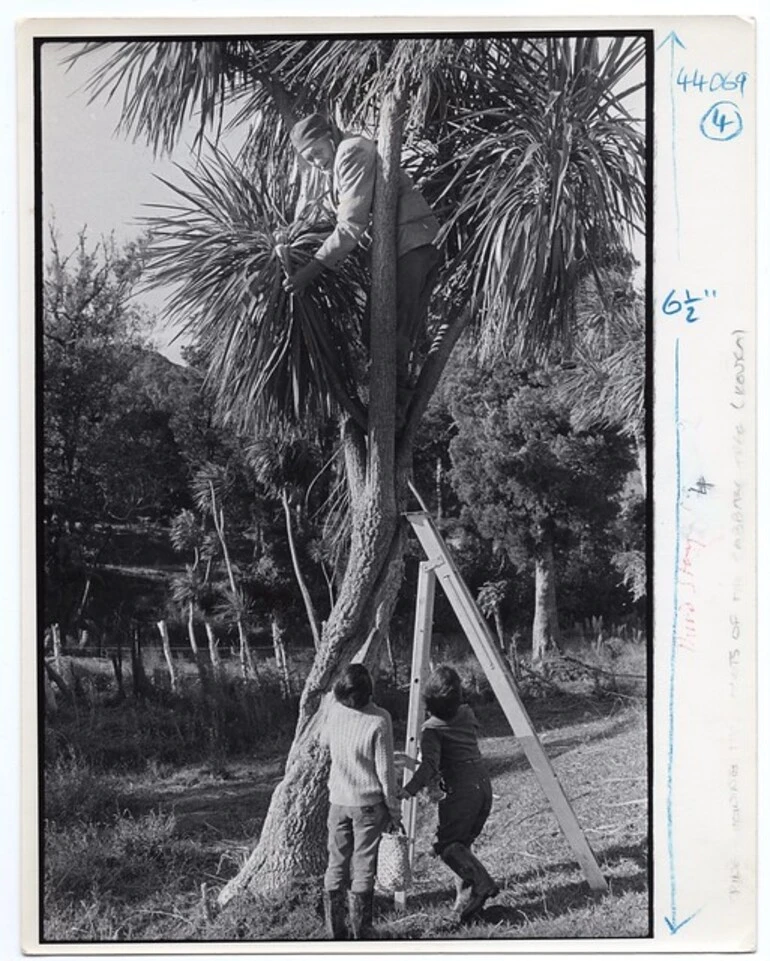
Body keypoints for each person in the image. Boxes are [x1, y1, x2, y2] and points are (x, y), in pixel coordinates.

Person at [283, 113, 441, 389]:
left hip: (412, 242)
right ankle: (396, 399)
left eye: (318, 152)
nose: (317, 161)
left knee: (389, 334)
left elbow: (351, 225)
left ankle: (397, 403)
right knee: (377, 333)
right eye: (309, 158)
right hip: (402, 247)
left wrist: (309, 271)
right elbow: (325, 212)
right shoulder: (334, 164)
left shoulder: (351, 151)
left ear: (331, 138)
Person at [397, 665, 499, 923]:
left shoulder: (431, 729)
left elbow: (430, 765)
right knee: (462, 844)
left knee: (447, 846)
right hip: (482, 785)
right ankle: (468, 904)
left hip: (461, 790)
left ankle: (482, 883)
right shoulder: (466, 713)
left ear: (429, 705)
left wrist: (408, 789)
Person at [319, 663, 402, 940]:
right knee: (364, 866)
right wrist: (393, 809)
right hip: (368, 804)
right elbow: (385, 771)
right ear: (369, 691)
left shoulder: (333, 711)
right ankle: (362, 931)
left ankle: (335, 930)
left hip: (337, 802)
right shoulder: (379, 719)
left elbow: (322, 742)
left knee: (336, 863)